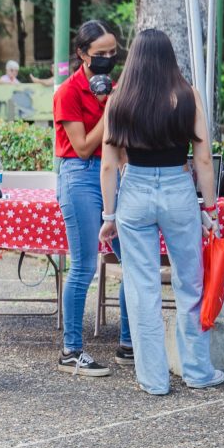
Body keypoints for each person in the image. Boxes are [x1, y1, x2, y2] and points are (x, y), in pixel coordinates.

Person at [99, 29, 224, 394]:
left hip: (134, 190)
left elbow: (108, 166)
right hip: (177, 188)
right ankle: (198, 372)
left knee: (142, 288)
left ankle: (153, 379)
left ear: (134, 59)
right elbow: (202, 159)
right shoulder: (188, 97)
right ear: (170, 58)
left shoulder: (119, 100)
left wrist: (109, 217)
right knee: (191, 283)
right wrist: (210, 209)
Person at [53, 20, 132, 376]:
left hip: (115, 174)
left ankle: (129, 343)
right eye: (100, 54)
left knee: (133, 261)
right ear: (82, 54)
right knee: (83, 265)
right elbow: (83, 147)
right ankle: (72, 350)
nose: (107, 59)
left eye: (112, 53)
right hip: (80, 176)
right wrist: (109, 109)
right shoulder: (67, 92)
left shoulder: (115, 88)